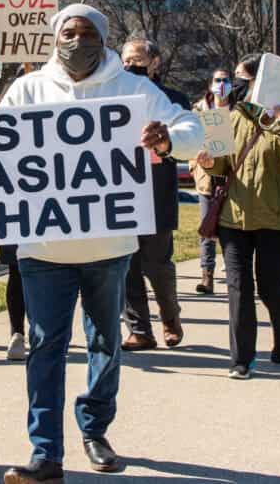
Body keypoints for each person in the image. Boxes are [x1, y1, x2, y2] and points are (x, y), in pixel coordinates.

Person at [0, 4, 203, 484]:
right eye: (69, 31)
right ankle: (45, 451)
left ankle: (95, 428)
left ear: (104, 38)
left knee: (106, 343)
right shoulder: (28, 89)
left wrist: (167, 139)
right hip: (42, 251)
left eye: (88, 32)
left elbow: (192, 130)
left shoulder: (134, 89)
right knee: (45, 346)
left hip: (109, 250)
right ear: (55, 37)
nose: (77, 39)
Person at [197, 53, 280, 379]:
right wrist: (208, 161)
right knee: (238, 286)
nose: (236, 85)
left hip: (275, 219)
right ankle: (241, 359)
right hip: (233, 219)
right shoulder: (227, 117)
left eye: (243, 80)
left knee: (270, 287)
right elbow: (220, 166)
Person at [120, 38, 190, 351]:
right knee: (126, 265)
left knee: (158, 265)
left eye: (137, 61)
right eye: (125, 62)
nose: (130, 67)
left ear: (155, 62)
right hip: (121, 196)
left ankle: (170, 315)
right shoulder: (113, 98)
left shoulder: (173, 100)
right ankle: (139, 330)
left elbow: (185, 142)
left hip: (157, 193)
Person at [189, 68, 233, 294]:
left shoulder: (238, 110)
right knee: (207, 227)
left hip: (232, 177)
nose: (222, 84)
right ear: (210, 84)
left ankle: (235, 273)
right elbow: (189, 139)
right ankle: (207, 276)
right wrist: (195, 165)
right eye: (218, 80)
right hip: (206, 177)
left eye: (226, 80)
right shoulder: (199, 110)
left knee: (230, 229)